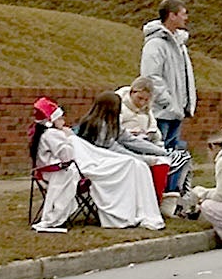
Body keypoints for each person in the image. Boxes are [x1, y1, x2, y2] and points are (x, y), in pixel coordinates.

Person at [29, 97, 166, 233]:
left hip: (71, 166)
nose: (64, 121)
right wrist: (68, 138)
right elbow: (68, 155)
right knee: (128, 165)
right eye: (60, 119)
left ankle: (131, 208)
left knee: (131, 164)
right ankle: (126, 210)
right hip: (64, 171)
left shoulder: (51, 134)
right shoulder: (53, 135)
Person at [139, 0, 197, 171]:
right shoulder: (155, 44)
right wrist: (167, 100)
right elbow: (151, 75)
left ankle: (168, 191)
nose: (185, 18)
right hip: (163, 110)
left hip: (175, 110)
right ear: (172, 16)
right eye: (182, 14)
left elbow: (185, 75)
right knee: (159, 153)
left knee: (171, 156)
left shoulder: (179, 44)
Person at [118, 77, 194, 202]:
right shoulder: (120, 107)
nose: (142, 103)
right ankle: (156, 199)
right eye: (139, 98)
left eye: (146, 100)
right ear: (132, 92)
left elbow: (156, 134)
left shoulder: (148, 111)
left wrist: (152, 134)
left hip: (147, 144)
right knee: (161, 160)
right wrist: (132, 133)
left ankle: (173, 195)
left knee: (182, 157)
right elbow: (118, 133)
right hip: (128, 147)